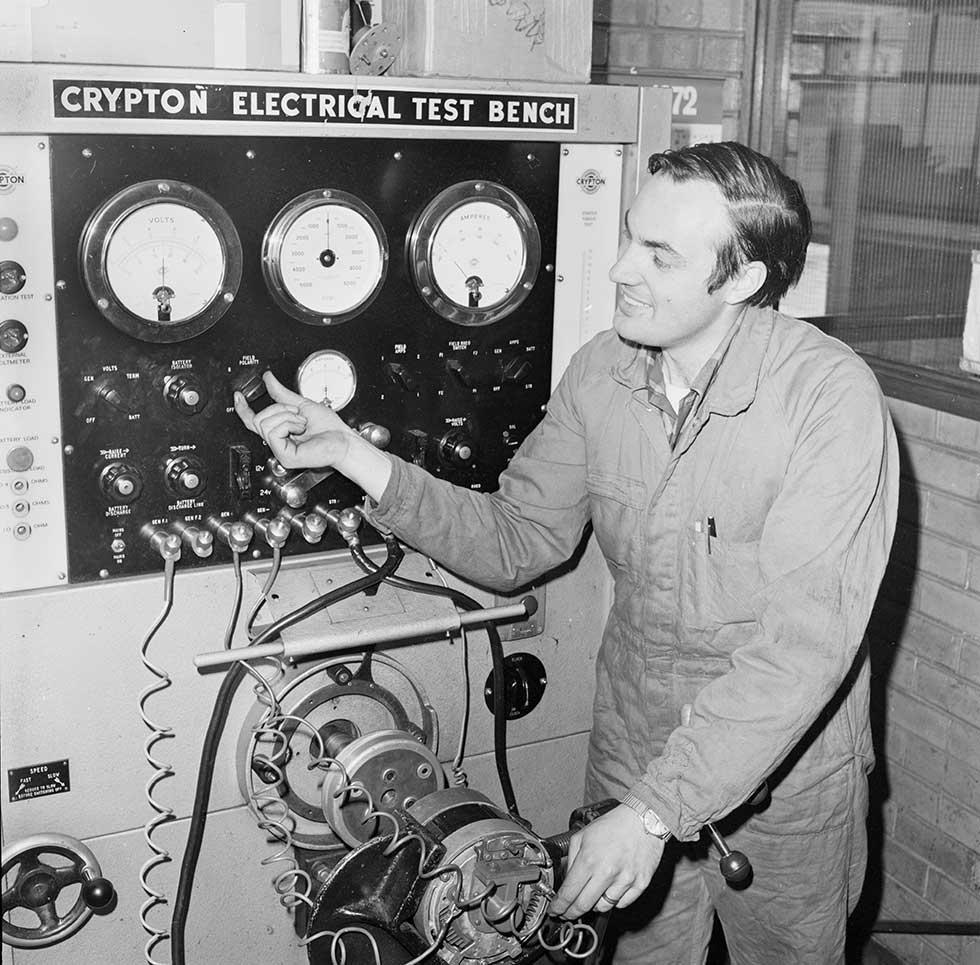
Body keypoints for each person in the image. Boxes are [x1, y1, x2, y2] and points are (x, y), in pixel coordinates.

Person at [235, 141, 898, 964]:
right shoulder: (602, 373)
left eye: (658, 254)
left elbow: (801, 651)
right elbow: (517, 538)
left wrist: (658, 812)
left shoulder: (829, 400)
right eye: (628, 236)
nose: (621, 268)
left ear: (743, 279)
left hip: (787, 786)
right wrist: (350, 455)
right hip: (635, 755)